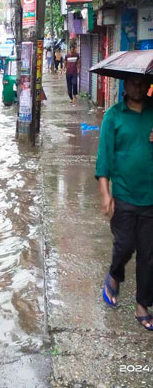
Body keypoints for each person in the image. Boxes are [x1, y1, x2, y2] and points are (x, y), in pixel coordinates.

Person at [96, 74, 153, 331]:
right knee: (125, 245)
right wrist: (105, 193)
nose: (138, 87)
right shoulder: (113, 116)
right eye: (133, 83)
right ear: (125, 85)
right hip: (123, 194)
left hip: (150, 197)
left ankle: (142, 305)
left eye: (143, 83)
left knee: (148, 255)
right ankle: (115, 274)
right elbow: (104, 158)